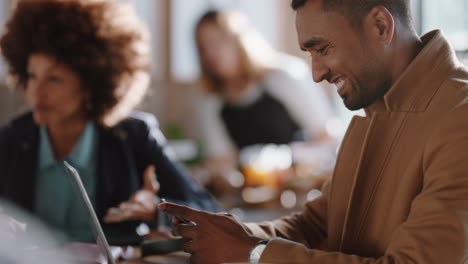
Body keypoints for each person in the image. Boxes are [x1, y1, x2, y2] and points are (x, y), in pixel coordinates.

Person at [160, 0, 468, 263]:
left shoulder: (460, 116)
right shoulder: (374, 113)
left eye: (322, 48)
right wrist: (223, 235)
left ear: (380, 26)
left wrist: (253, 253)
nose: (316, 73)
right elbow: (315, 225)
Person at [0, 0, 217, 244]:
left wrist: (156, 211)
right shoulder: (12, 138)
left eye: (54, 79)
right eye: (31, 76)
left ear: (91, 82)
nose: (35, 92)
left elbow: (207, 210)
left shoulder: (134, 135)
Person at [194, 9, 335, 184]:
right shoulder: (212, 102)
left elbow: (327, 137)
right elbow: (221, 160)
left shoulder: (283, 76)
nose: (211, 54)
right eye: (204, 46)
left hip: (301, 185)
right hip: (252, 196)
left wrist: (288, 158)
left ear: (239, 39)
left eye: (218, 42)